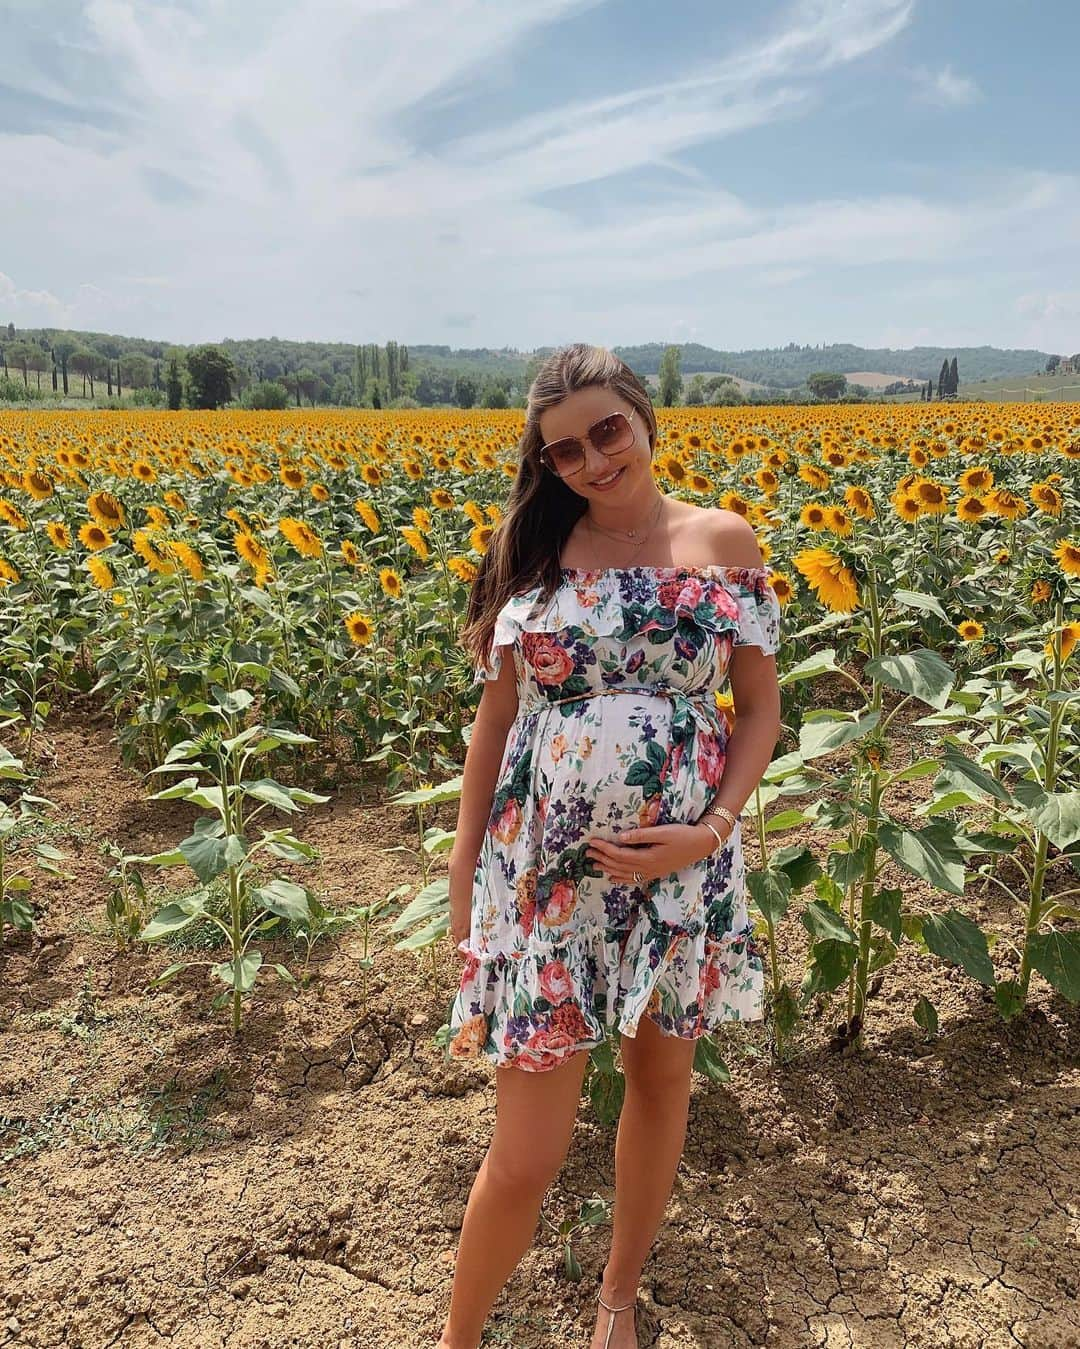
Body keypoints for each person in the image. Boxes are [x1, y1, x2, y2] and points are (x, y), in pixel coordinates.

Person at [437, 344, 782, 1349]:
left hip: (684, 876)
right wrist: (465, 881)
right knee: (525, 1153)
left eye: (607, 429)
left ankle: (618, 1297)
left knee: (660, 1081)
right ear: (547, 466)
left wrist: (710, 830)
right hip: (546, 881)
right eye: (565, 450)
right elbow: (494, 730)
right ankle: (457, 1338)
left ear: (643, 416)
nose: (593, 458)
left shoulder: (723, 541)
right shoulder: (537, 558)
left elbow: (758, 712)